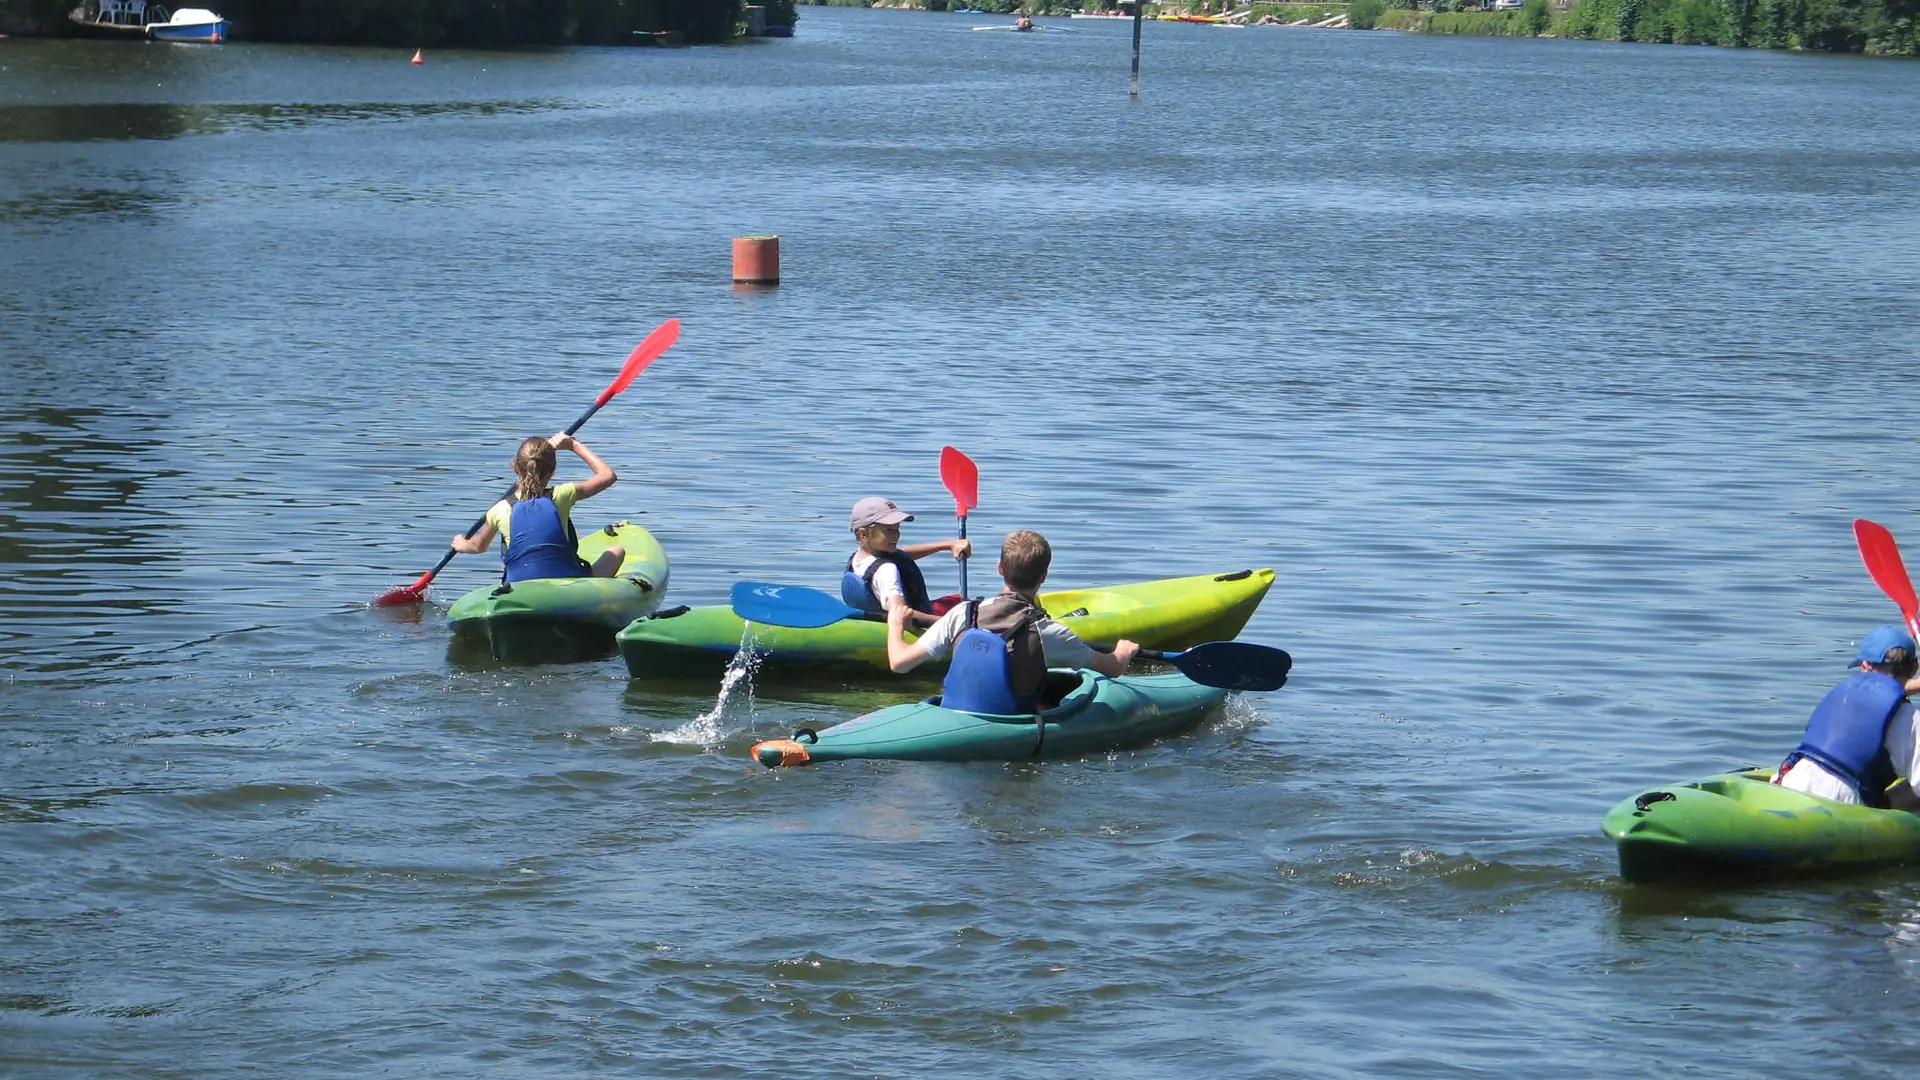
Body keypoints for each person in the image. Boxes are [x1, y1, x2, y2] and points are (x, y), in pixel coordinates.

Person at [884, 529, 1139, 714]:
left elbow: (899, 663)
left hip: (955, 710)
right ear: (1044, 576)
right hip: (1008, 719)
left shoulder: (963, 612)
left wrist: (896, 627)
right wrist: (1124, 652)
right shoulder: (1047, 631)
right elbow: (1112, 668)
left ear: (1000, 568)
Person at [1773, 625, 1920, 808]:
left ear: (1865, 666)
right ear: (1913, 668)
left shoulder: (1843, 693)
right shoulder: (1912, 721)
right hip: (1843, 803)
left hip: (1792, 782)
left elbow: (1881, 693)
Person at [449, 433, 623, 582]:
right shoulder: (562, 495)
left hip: (520, 584)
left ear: (515, 467)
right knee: (617, 551)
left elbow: (479, 547)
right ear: (553, 471)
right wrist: (573, 445)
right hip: (568, 580)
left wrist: (462, 544)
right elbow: (608, 475)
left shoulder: (498, 510)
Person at [841, 496, 970, 627]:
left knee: (959, 601)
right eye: (889, 530)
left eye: (897, 529)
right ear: (864, 534)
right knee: (976, 612)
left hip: (876, 620)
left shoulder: (858, 558)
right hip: (920, 626)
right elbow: (900, 613)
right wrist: (949, 624)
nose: (896, 536)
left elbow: (902, 555)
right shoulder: (886, 570)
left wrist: (947, 545)